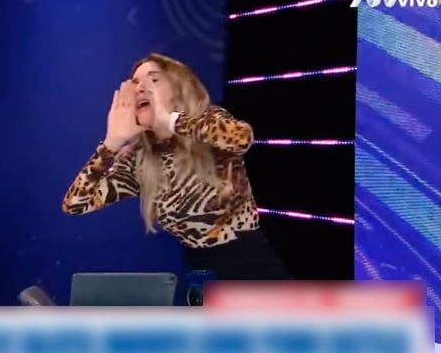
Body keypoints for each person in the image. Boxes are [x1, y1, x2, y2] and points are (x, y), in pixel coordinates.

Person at [62, 53, 292, 280]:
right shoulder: (137, 159)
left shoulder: (207, 123)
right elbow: (75, 204)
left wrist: (171, 121)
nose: (141, 88)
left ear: (178, 89)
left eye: (153, 79)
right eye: (135, 83)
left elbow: (241, 138)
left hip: (250, 263)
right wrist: (111, 144)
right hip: (199, 269)